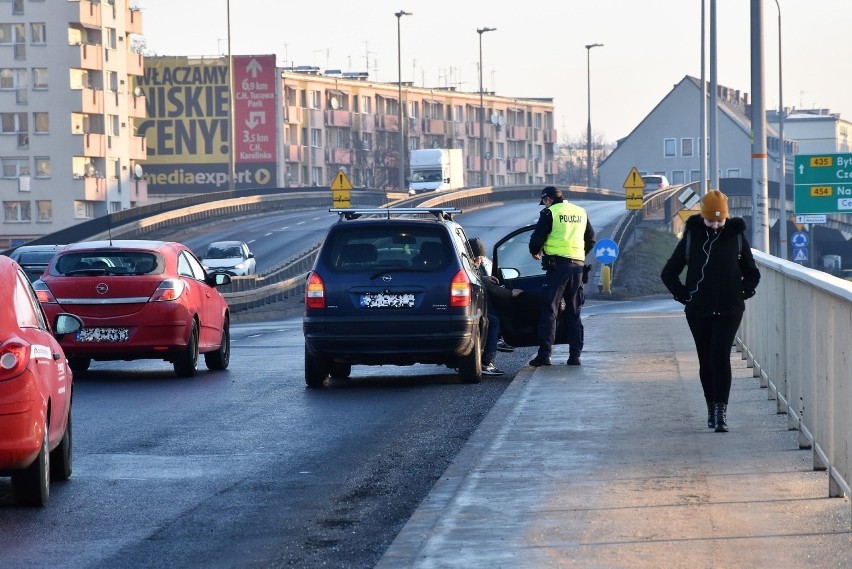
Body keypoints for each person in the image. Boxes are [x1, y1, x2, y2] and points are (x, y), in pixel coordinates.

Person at [660, 189, 761, 433]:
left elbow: (752, 272)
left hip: (729, 309)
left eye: (720, 220)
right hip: (699, 311)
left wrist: (743, 291)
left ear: (726, 217)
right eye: (710, 220)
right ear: (702, 217)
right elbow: (669, 273)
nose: (715, 225)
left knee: (720, 357)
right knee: (706, 361)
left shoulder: (736, 238)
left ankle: (721, 413)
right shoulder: (692, 238)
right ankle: (710, 406)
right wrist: (684, 296)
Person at [527, 186, 595, 367]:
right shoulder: (580, 212)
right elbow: (591, 239)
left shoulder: (550, 213)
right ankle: (575, 356)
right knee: (574, 312)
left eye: (544, 202)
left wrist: (535, 251)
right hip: (578, 268)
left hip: (557, 268)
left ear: (548, 199)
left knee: (550, 310)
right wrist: (579, 256)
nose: (544, 205)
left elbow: (537, 239)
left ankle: (545, 355)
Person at [468, 237, 523, 376]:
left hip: (469, 309)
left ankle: (496, 342)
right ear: (474, 255)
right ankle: (487, 362)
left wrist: (483, 278)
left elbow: (483, 283)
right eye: (479, 256)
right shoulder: (469, 266)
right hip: (472, 310)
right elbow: (490, 289)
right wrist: (511, 293)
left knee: (492, 314)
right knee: (493, 322)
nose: (480, 259)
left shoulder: (467, 264)